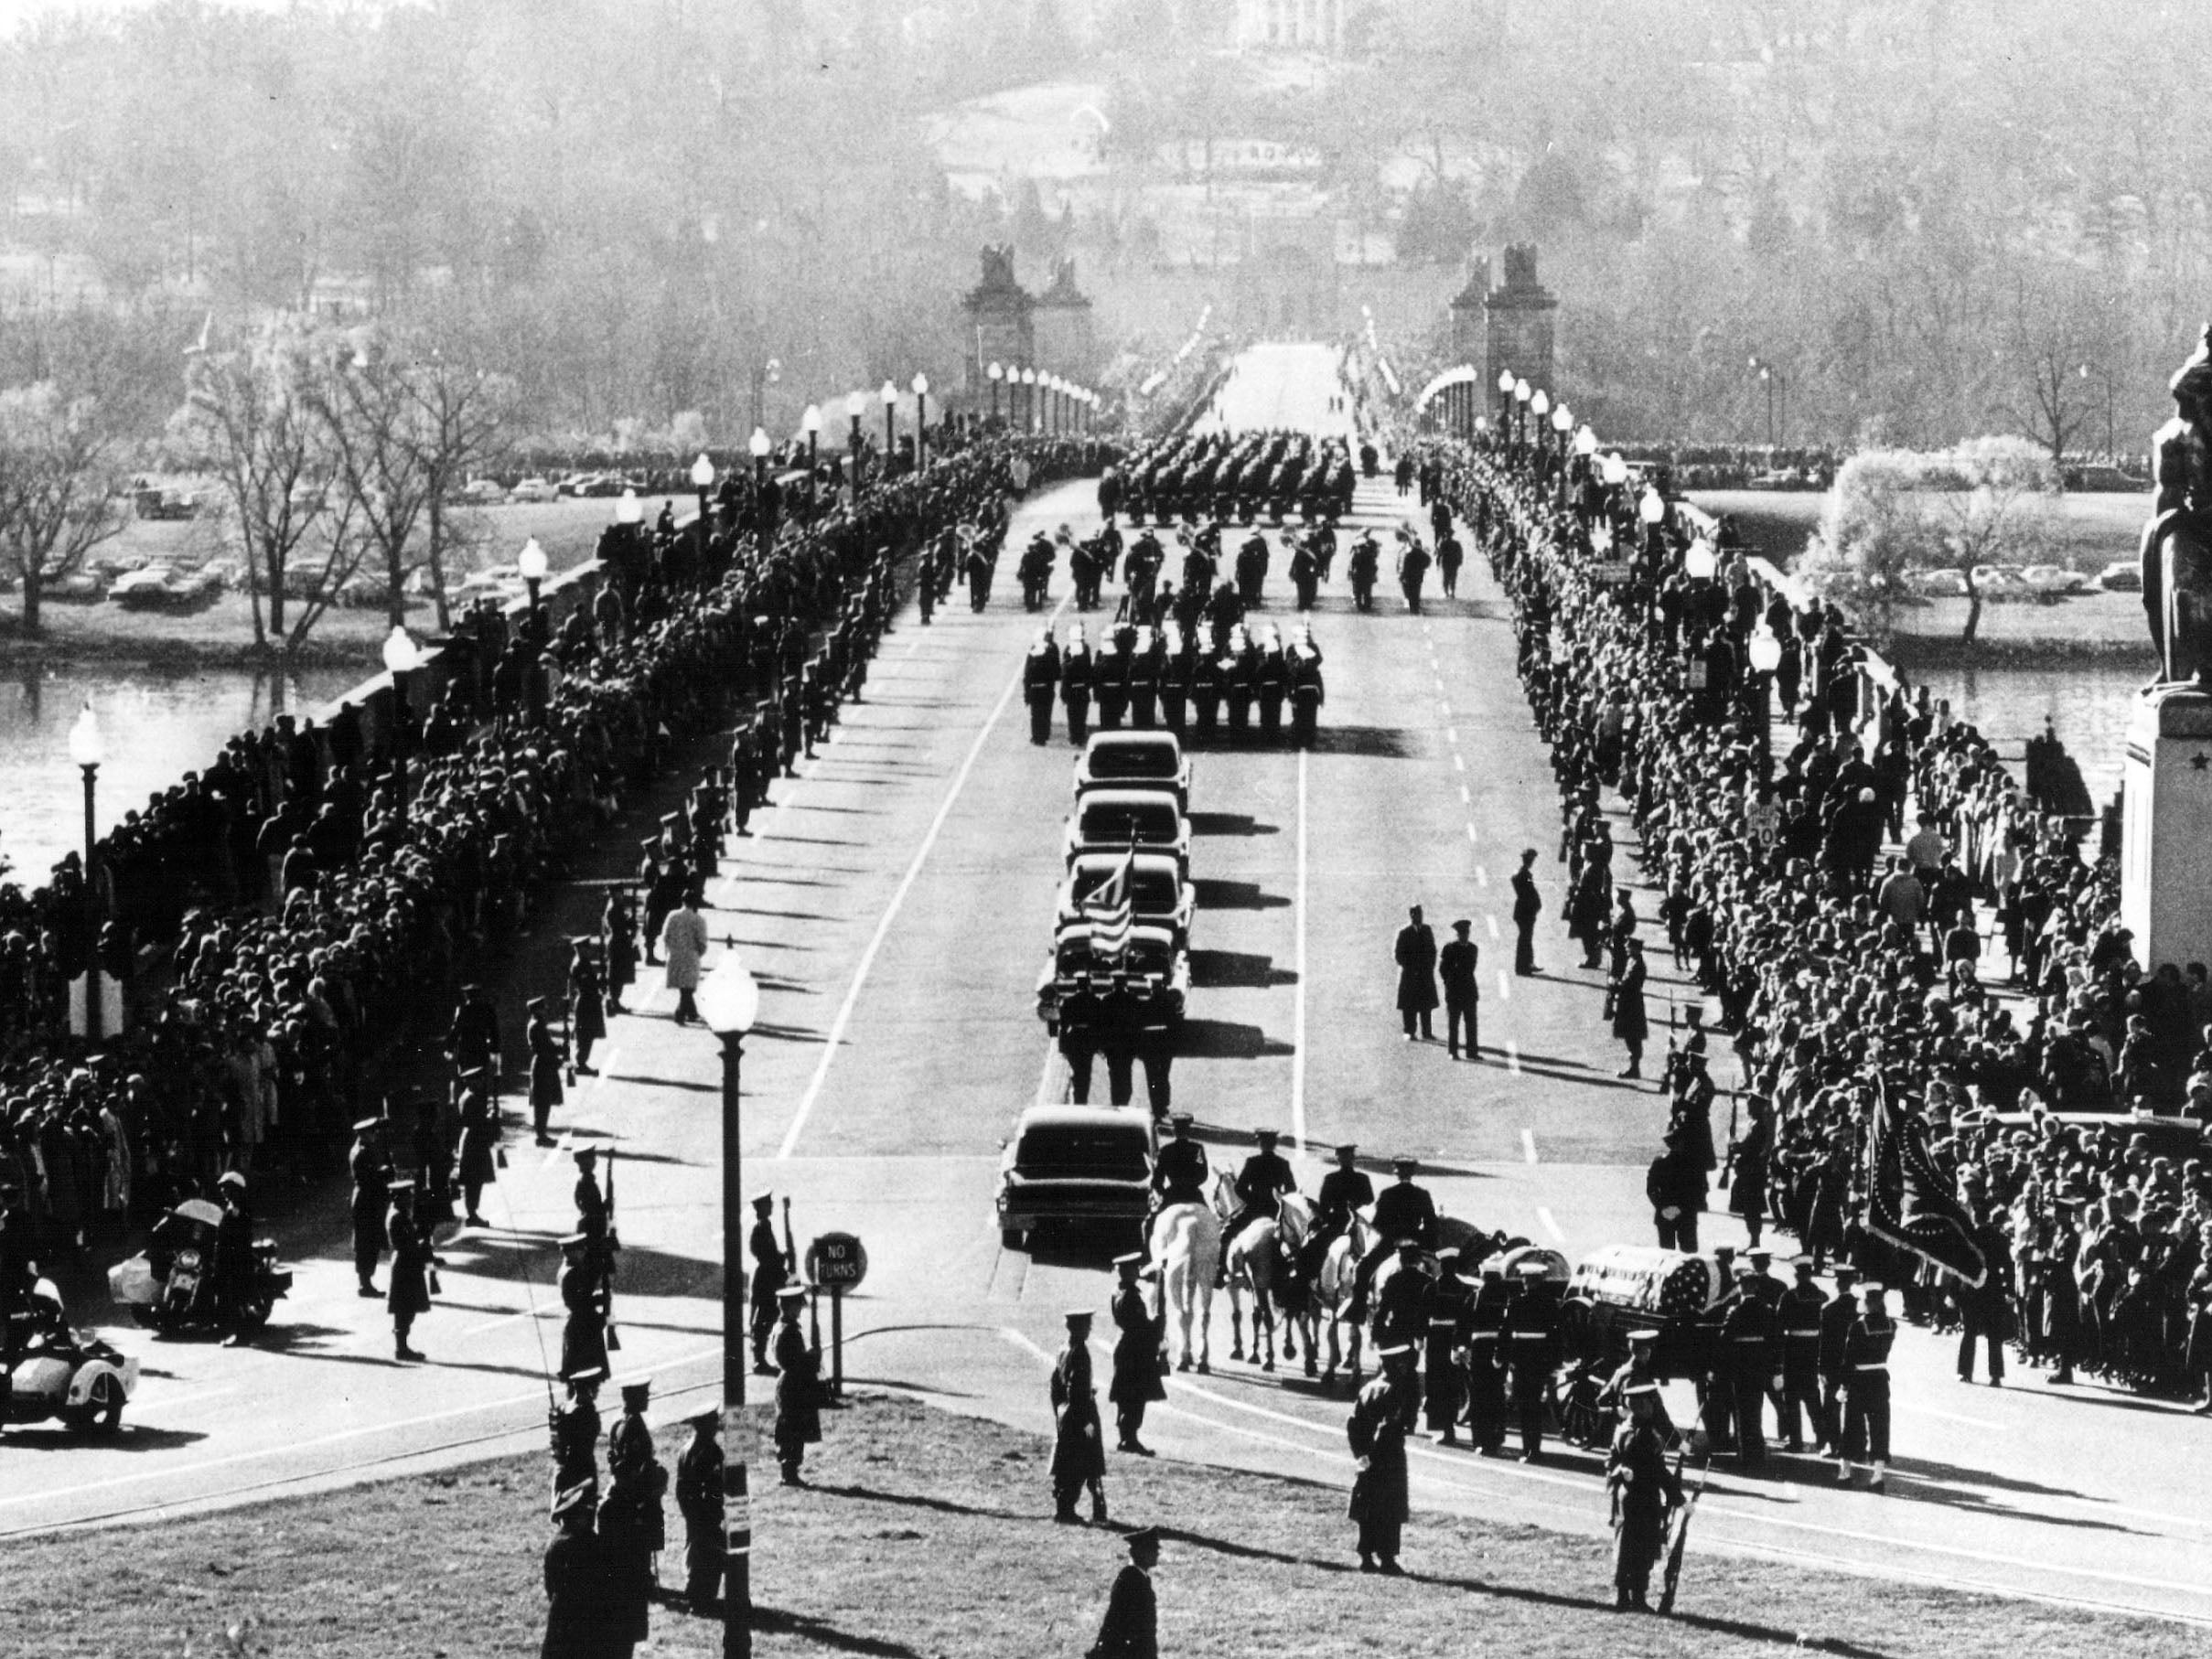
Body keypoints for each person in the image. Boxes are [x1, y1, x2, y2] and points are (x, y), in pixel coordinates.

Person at [600, 1376, 666, 1649]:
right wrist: (647, 1491)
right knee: (637, 1546)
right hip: (632, 1497)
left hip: (621, 1493)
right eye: (644, 1394)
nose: (648, 1398)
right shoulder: (634, 1426)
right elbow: (633, 1468)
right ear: (634, 1398)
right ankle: (641, 1581)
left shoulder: (618, 1422)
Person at [1605, 1382, 1683, 1613]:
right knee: (1640, 1550)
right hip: (1643, 1499)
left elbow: (1611, 1463)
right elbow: (1658, 1471)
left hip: (1627, 1499)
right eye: (1650, 1403)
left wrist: (1620, 1472)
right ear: (1642, 1407)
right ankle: (1635, 1597)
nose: (1653, 1408)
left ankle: (1625, 1596)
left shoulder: (1623, 1430)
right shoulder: (1644, 1435)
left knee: (1629, 1548)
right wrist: (1680, 1499)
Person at [1347, 1343, 1419, 1573]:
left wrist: (1361, 1454)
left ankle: (1366, 1555)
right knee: (1390, 1508)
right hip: (1389, 1456)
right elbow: (1391, 1424)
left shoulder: (1368, 1388)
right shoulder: (1396, 1390)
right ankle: (1387, 1557)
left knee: (1367, 1505)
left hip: (1368, 1457)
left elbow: (1352, 1424)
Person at [1351, 1157, 1437, 1320]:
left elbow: (1378, 1224)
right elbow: (1431, 1224)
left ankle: (1358, 1310)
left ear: (1396, 1172)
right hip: (1417, 1243)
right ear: (1413, 1172)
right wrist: (1424, 1243)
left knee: (1363, 1268)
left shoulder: (1388, 1194)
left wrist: (1394, 1235)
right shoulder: (1422, 1194)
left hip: (1391, 1242)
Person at [542, 1480, 618, 1659]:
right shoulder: (585, 1543)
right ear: (577, 1514)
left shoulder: (556, 1542)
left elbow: (550, 1587)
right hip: (584, 1622)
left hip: (560, 1619)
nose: (592, 1516)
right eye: (588, 1511)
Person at [1051, 1309, 1110, 1523]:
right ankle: (1067, 1510)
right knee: (1082, 1465)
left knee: (1065, 1463)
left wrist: (1058, 1410)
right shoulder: (1080, 1352)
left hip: (1065, 1412)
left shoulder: (1063, 1349)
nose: (1090, 1328)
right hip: (1080, 1413)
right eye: (1086, 1325)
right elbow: (1077, 1388)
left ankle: (1063, 1506)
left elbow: (1056, 1383)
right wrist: (1085, 1421)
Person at [1837, 1280, 1895, 1490]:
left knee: (1852, 1426)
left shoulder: (1858, 1326)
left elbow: (1849, 1358)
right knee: (1880, 1427)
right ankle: (1877, 1476)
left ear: (1867, 1302)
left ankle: (1845, 1473)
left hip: (1860, 1380)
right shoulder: (1891, 1324)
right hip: (1880, 1378)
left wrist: (1843, 1386)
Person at [1108, 1253, 1166, 1455]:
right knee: (1134, 1396)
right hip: (1134, 1350)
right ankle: (1129, 1439)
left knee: (1127, 1395)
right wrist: (1156, 1325)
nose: (1137, 1272)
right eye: (1134, 1269)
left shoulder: (1119, 1291)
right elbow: (1138, 1325)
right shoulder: (1130, 1295)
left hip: (1127, 1347)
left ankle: (1127, 1437)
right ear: (1128, 1272)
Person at [1216, 1128, 1296, 1264]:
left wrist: (1253, 1200)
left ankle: (1222, 1270)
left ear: (1260, 1144)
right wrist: (1279, 1201)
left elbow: (1239, 1187)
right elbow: (1291, 1189)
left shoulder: (1252, 1162)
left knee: (1227, 1234)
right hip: (1275, 1210)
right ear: (1274, 1144)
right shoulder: (1283, 1163)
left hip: (1254, 1210)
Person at [673, 1407, 724, 1611]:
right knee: (708, 1554)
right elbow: (713, 1485)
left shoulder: (686, 1449)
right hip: (706, 1511)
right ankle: (702, 1599)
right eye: (712, 1423)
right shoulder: (709, 1451)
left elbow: (680, 1488)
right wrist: (714, 1509)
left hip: (693, 1511)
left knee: (697, 1551)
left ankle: (696, 1595)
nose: (716, 1427)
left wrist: (689, 1511)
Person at [772, 1285, 822, 1484]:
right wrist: (812, 1357)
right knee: (792, 1429)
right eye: (797, 1306)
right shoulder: (790, 1331)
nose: (800, 1310)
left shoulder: (782, 1327)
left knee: (790, 1427)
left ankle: (790, 1471)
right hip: (794, 1384)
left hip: (789, 1383)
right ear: (790, 1307)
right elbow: (795, 1361)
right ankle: (789, 1473)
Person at [1085, 1525, 1160, 1659]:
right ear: (1141, 1552)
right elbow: (1121, 1623)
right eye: (1153, 1550)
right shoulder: (1131, 1581)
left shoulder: (1139, 1578)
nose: (1157, 1554)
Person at [387, 1178, 436, 1362]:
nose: (410, 1199)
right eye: (407, 1196)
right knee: (405, 1309)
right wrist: (421, 1243)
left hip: (406, 1263)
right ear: (399, 1198)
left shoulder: (398, 1214)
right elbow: (406, 1243)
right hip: (405, 1265)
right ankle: (401, 1348)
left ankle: (403, 1347)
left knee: (407, 1308)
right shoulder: (398, 1217)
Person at [349, 1115, 391, 1298]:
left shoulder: (360, 1149)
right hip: (367, 1200)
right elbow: (369, 1178)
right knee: (367, 1242)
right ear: (364, 1134)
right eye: (372, 1132)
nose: (375, 1134)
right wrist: (383, 1173)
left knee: (367, 1241)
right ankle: (365, 1284)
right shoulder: (362, 1152)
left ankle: (366, 1282)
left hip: (366, 1199)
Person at [748, 1190, 789, 1374]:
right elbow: (764, 1254)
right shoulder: (760, 1228)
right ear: (761, 1208)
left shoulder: (765, 1225)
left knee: (769, 1315)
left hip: (769, 1276)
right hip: (766, 1278)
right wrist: (781, 1258)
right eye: (768, 1203)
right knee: (764, 1317)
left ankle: (761, 1358)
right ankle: (759, 1360)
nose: (771, 1205)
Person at [660, 884, 708, 1025]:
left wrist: (670, 950)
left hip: (674, 955)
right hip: (691, 957)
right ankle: (680, 1012)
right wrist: (698, 953)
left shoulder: (672, 916)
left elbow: (665, 936)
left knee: (684, 987)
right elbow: (702, 942)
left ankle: (692, 1012)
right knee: (688, 987)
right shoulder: (698, 920)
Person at [1394, 904, 1438, 1041]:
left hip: (1425, 974)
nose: (1418, 917)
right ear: (1411, 916)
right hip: (1410, 975)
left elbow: (1433, 950)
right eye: (1415, 914)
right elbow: (1398, 955)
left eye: (1420, 914)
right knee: (1410, 1005)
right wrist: (1411, 966)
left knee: (1426, 1005)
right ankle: (1409, 1031)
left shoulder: (1427, 930)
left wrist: (1430, 966)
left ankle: (1427, 1032)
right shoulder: (1404, 933)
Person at [1439, 918, 1480, 1059]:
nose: (1463, 935)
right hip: (1454, 991)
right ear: (1457, 934)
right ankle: (1453, 1051)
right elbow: (1443, 969)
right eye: (1461, 933)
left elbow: (1470, 968)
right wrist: (1449, 983)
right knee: (1453, 1024)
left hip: (1469, 991)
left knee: (1471, 1023)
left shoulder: (1473, 949)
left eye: (1466, 933)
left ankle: (1472, 1051)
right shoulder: (1449, 948)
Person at [1150, 1114, 1209, 1208]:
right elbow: (1203, 1175)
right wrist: (1191, 1184)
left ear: (1174, 1131)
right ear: (1189, 1131)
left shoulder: (1166, 1150)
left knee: (1153, 1219)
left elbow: (1157, 1180)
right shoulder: (1197, 1149)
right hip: (1194, 1194)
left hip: (1172, 1195)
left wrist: (1164, 1194)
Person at [1610, 937, 1649, 1080]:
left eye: (1629, 947)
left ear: (1636, 949)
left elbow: (1629, 984)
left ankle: (1634, 1069)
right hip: (1629, 1003)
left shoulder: (1637, 964)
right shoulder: (1632, 960)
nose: (1626, 948)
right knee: (1630, 1036)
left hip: (1632, 1005)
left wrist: (1615, 983)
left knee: (1633, 1036)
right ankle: (1634, 1068)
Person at [1510, 849, 1543, 975]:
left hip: (1525, 911)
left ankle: (1528, 964)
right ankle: (1522, 967)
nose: (1532, 862)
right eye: (1531, 860)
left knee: (1526, 938)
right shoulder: (1524, 874)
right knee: (1525, 939)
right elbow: (1528, 893)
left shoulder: (1523, 873)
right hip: (1525, 911)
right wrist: (1535, 904)